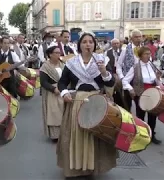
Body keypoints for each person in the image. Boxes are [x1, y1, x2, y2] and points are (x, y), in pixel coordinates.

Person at [57, 32, 116, 178]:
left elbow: (110, 83)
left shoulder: (102, 61)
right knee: (77, 134)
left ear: (94, 45)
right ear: (80, 45)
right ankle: (75, 168)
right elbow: (62, 82)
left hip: (97, 101)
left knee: (95, 134)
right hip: (77, 101)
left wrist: (104, 72)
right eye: (84, 42)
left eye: (90, 42)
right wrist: (64, 93)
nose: (88, 44)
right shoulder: (72, 63)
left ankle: (92, 167)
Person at [122, 46, 162, 144]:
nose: (149, 56)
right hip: (140, 93)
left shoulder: (152, 65)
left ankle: (152, 135)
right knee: (141, 115)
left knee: (153, 115)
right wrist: (130, 89)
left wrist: (158, 78)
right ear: (140, 56)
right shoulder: (135, 67)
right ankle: (142, 135)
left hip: (152, 93)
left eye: (149, 54)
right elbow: (125, 80)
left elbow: (157, 82)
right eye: (146, 54)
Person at [40, 46, 64, 141]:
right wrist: (53, 89)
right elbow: (43, 82)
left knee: (63, 112)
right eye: (56, 53)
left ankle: (64, 133)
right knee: (54, 113)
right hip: (52, 93)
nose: (59, 54)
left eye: (59, 53)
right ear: (50, 54)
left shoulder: (62, 64)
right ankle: (55, 135)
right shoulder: (45, 66)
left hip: (63, 90)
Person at [116, 29, 143, 111]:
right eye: (136, 37)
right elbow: (119, 65)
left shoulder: (144, 49)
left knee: (140, 106)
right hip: (128, 80)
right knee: (127, 105)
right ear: (131, 38)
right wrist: (121, 77)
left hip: (140, 81)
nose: (138, 39)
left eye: (139, 37)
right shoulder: (125, 50)